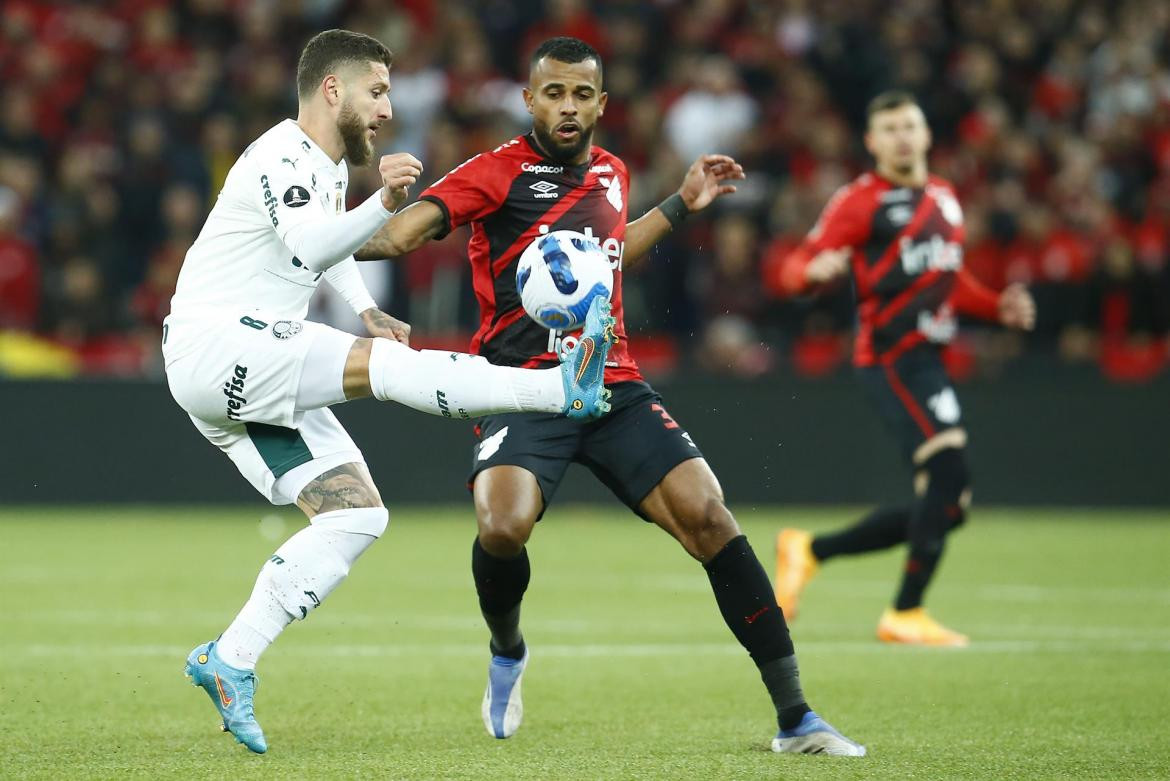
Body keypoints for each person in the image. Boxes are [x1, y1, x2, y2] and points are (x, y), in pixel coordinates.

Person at [356, 36, 865, 756]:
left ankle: (797, 718)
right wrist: (333, 241)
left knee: (711, 517)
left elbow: (609, 252)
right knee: (502, 526)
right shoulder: (495, 173)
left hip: (610, 381)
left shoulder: (614, 172)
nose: (567, 107)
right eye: (553, 93)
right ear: (530, 100)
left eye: (581, 94)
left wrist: (684, 204)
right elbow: (409, 230)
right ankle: (507, 649)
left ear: (601, 103)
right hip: (520, 386)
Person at [165, 29, 614, 754]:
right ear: (332, 90)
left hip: (234, 366)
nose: (385, 108)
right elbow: (314, 243)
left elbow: (314, 248)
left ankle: (231, 659)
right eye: (376, 92)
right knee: (387, 368)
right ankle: (561, 389)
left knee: (356, 517)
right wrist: (385, 202)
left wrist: (364, 303)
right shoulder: (285, 154)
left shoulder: (321, 165)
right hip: (221, 344)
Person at [772, 90, 1036, 646]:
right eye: (888, 129)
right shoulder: (859, 200)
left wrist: (995, 307)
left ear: (926, 134)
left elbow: (946, 277)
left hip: (927, 359)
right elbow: (795, 264)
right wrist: (809, 273)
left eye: (909, 126)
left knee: (948, 506)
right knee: (949, 476)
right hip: (889, 357)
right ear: (871, 142)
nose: (901, 137)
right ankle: (904, 613)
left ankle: (809, 550)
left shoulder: (944, 197)